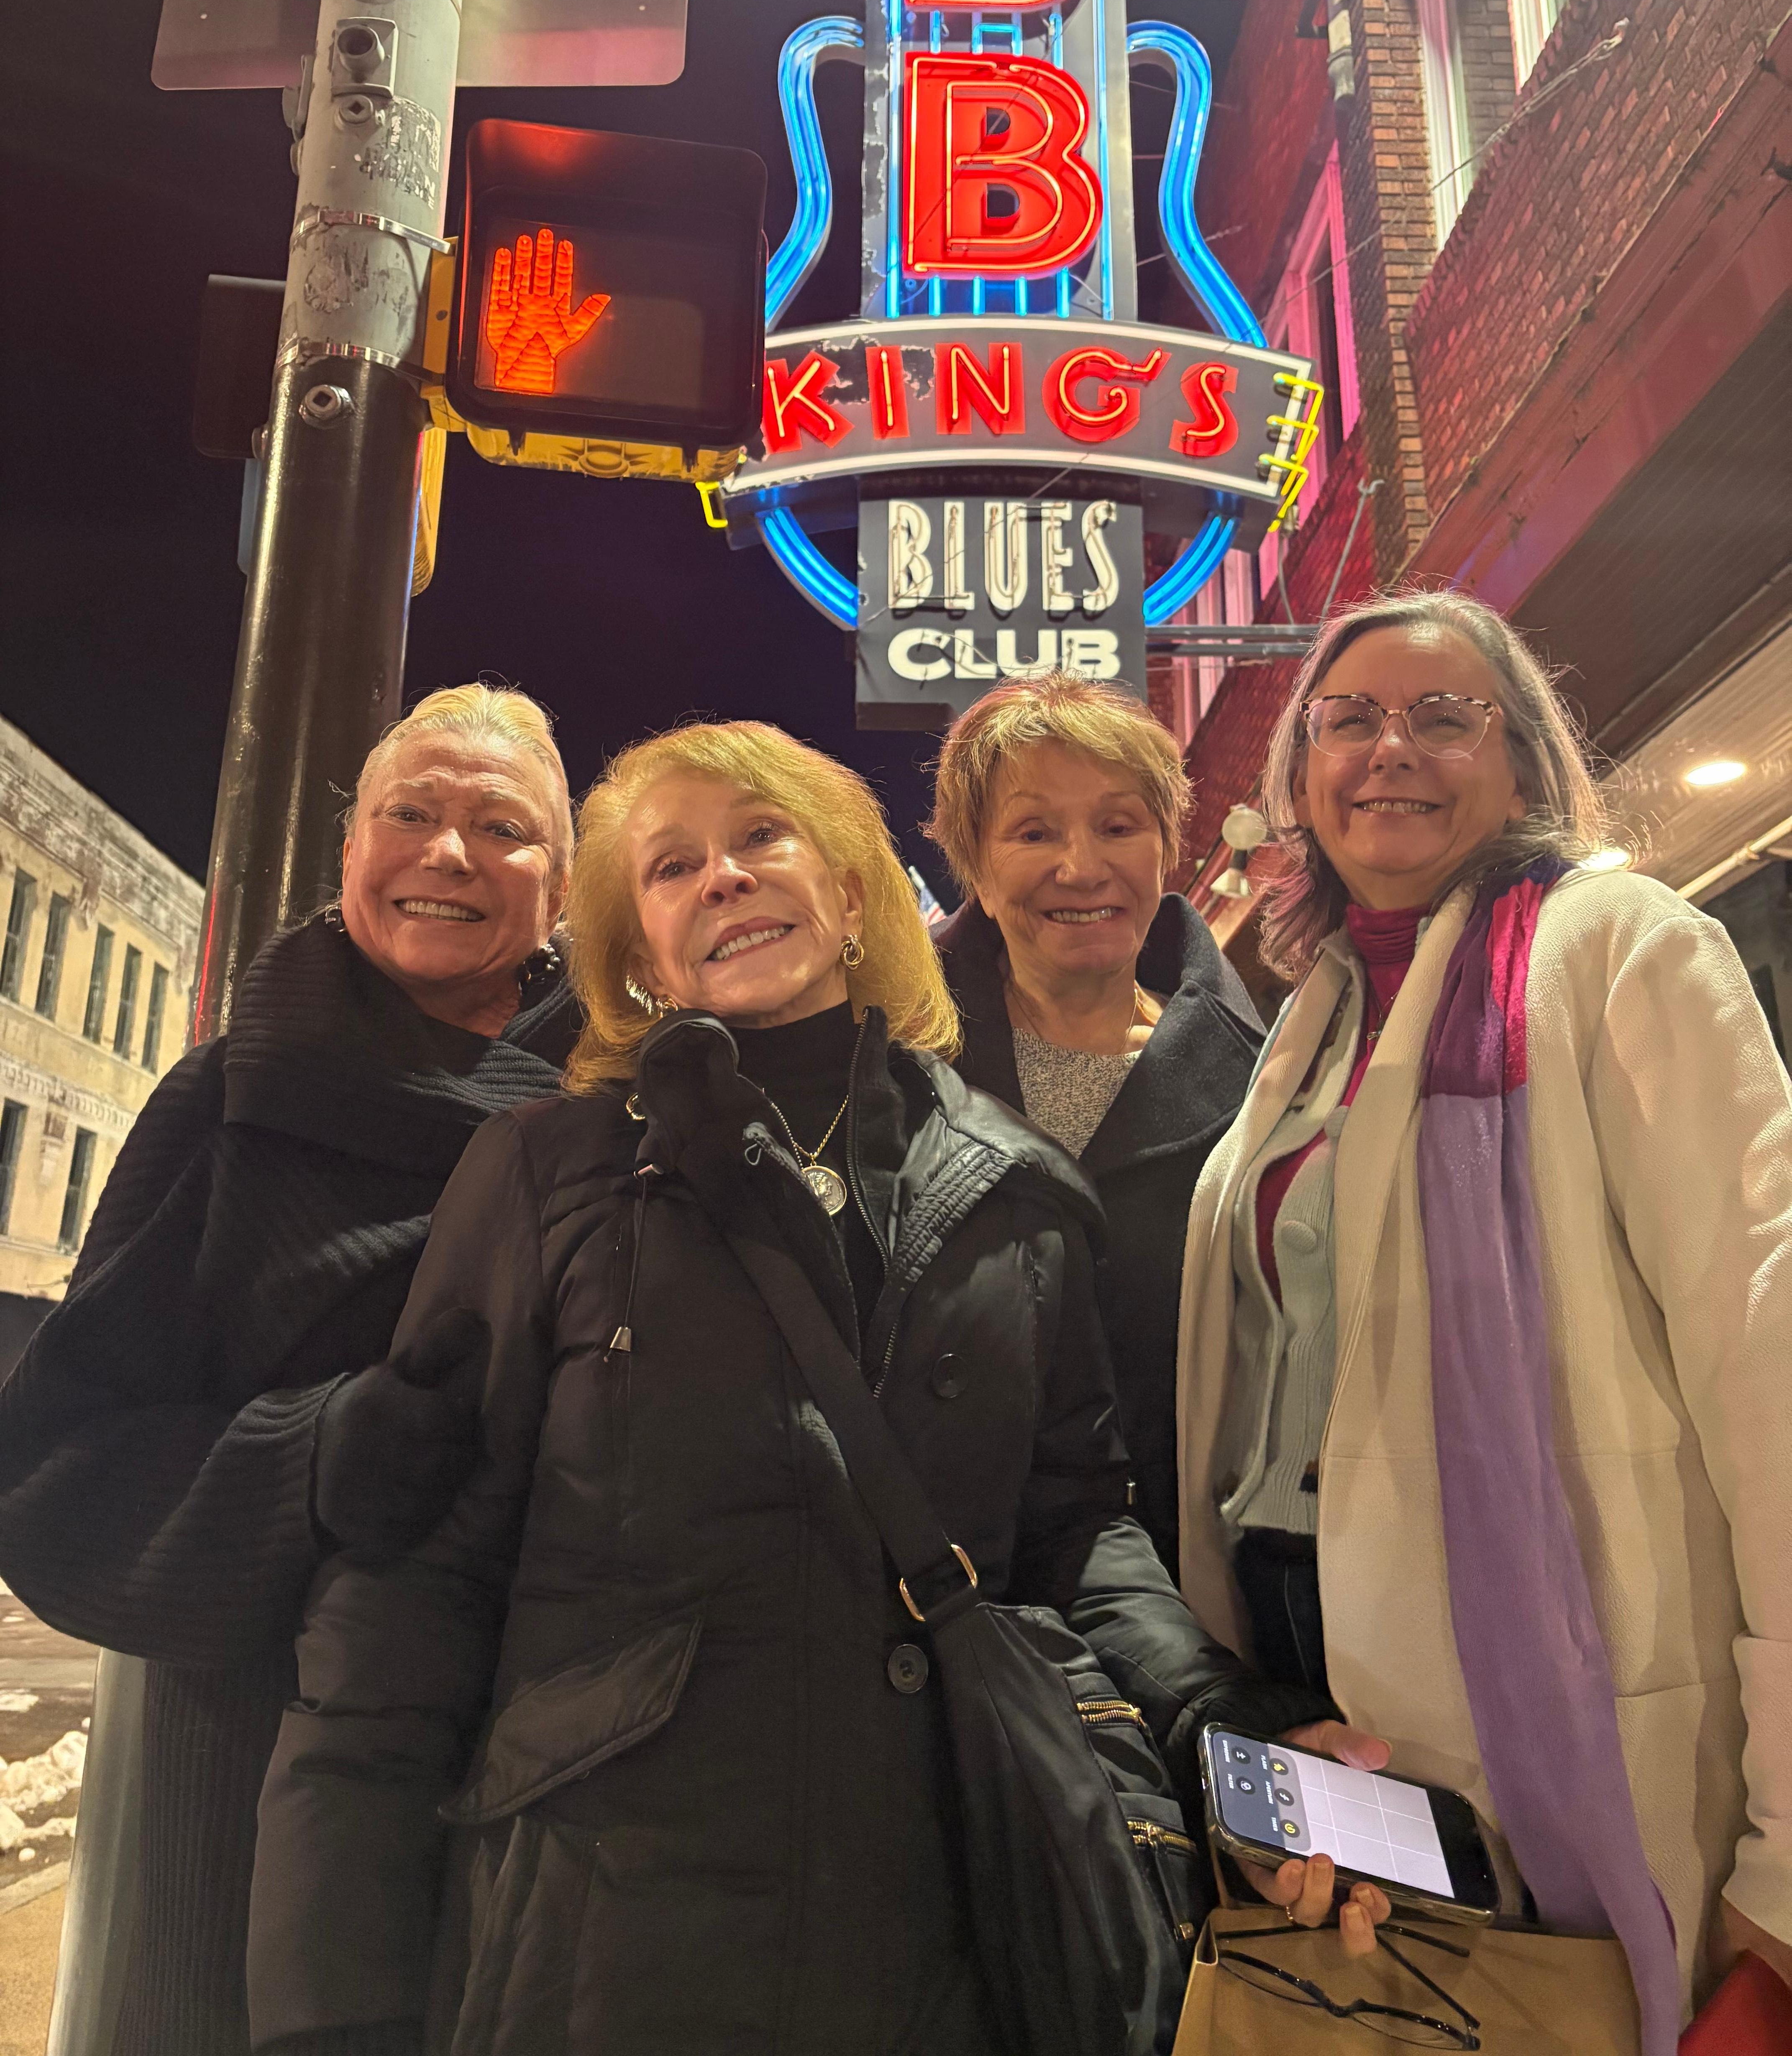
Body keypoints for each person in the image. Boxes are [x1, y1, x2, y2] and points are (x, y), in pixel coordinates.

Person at [246, 719, 1390, 2056]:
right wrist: (331, 2001)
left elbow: (1077, 1535)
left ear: (849, 891)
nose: (722, 879)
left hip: (964, 1926)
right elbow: (409, 1585)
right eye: (672, 870)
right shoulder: (545, 1176)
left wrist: (1229, 1729)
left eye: (760, 839)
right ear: (638, 956)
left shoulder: (1017, 1194)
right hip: (610, 1943)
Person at [1175, 590, 1792, 2050]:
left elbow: (1767, 1362)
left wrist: (1788, 1846)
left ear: (1519, 768)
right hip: (1301, 1653)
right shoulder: (1313, 1014)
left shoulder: (1616, 950)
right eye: (1348, 720)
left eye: (1442, 716)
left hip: (1549, 1665)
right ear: (1300, 782)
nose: (1390, 748)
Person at [0, 684, 580, 2056]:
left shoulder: (613, 1119)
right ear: (349, 855)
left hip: (549, 1774)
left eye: (500, 826)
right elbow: (56, 1469)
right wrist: (311, 1457)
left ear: (562, 889)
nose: (448, 852)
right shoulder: (226, 1099)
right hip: (243, 1787)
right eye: (411, 814)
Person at [928, 674, 1264, 1576]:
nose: (1082, 867)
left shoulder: (1266, 1084)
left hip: (1199, 1578)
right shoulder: (889, 1069)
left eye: (1119, 826)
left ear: (1164, 849)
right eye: (1034, 832)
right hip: (949, 1584)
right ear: (977, 865)